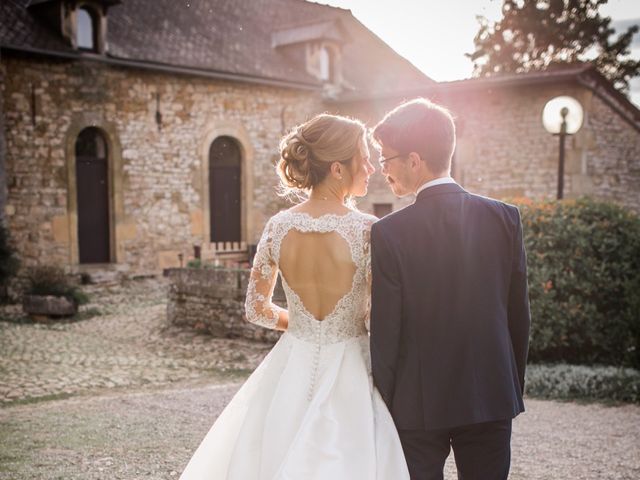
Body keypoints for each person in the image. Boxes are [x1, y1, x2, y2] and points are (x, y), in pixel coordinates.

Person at [179, 113, 409, 479]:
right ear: (337, 168)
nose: (370, 166)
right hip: (351, 363)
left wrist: (299, 323)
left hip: (292, 362)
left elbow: (256, 309)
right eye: (363, 157)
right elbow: (377, 318)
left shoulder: (278, 226)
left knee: (272, 451)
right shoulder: (371, 232)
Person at [369, 98, 531, 480]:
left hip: (417, 404)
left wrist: (385, 404)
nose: (383, 171)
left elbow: (387, 330)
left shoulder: (389, 232)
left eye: (386, 160)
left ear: (413, 160)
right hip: (491, 393)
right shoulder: (505, 218)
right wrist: (508, 385)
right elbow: (518, 315)